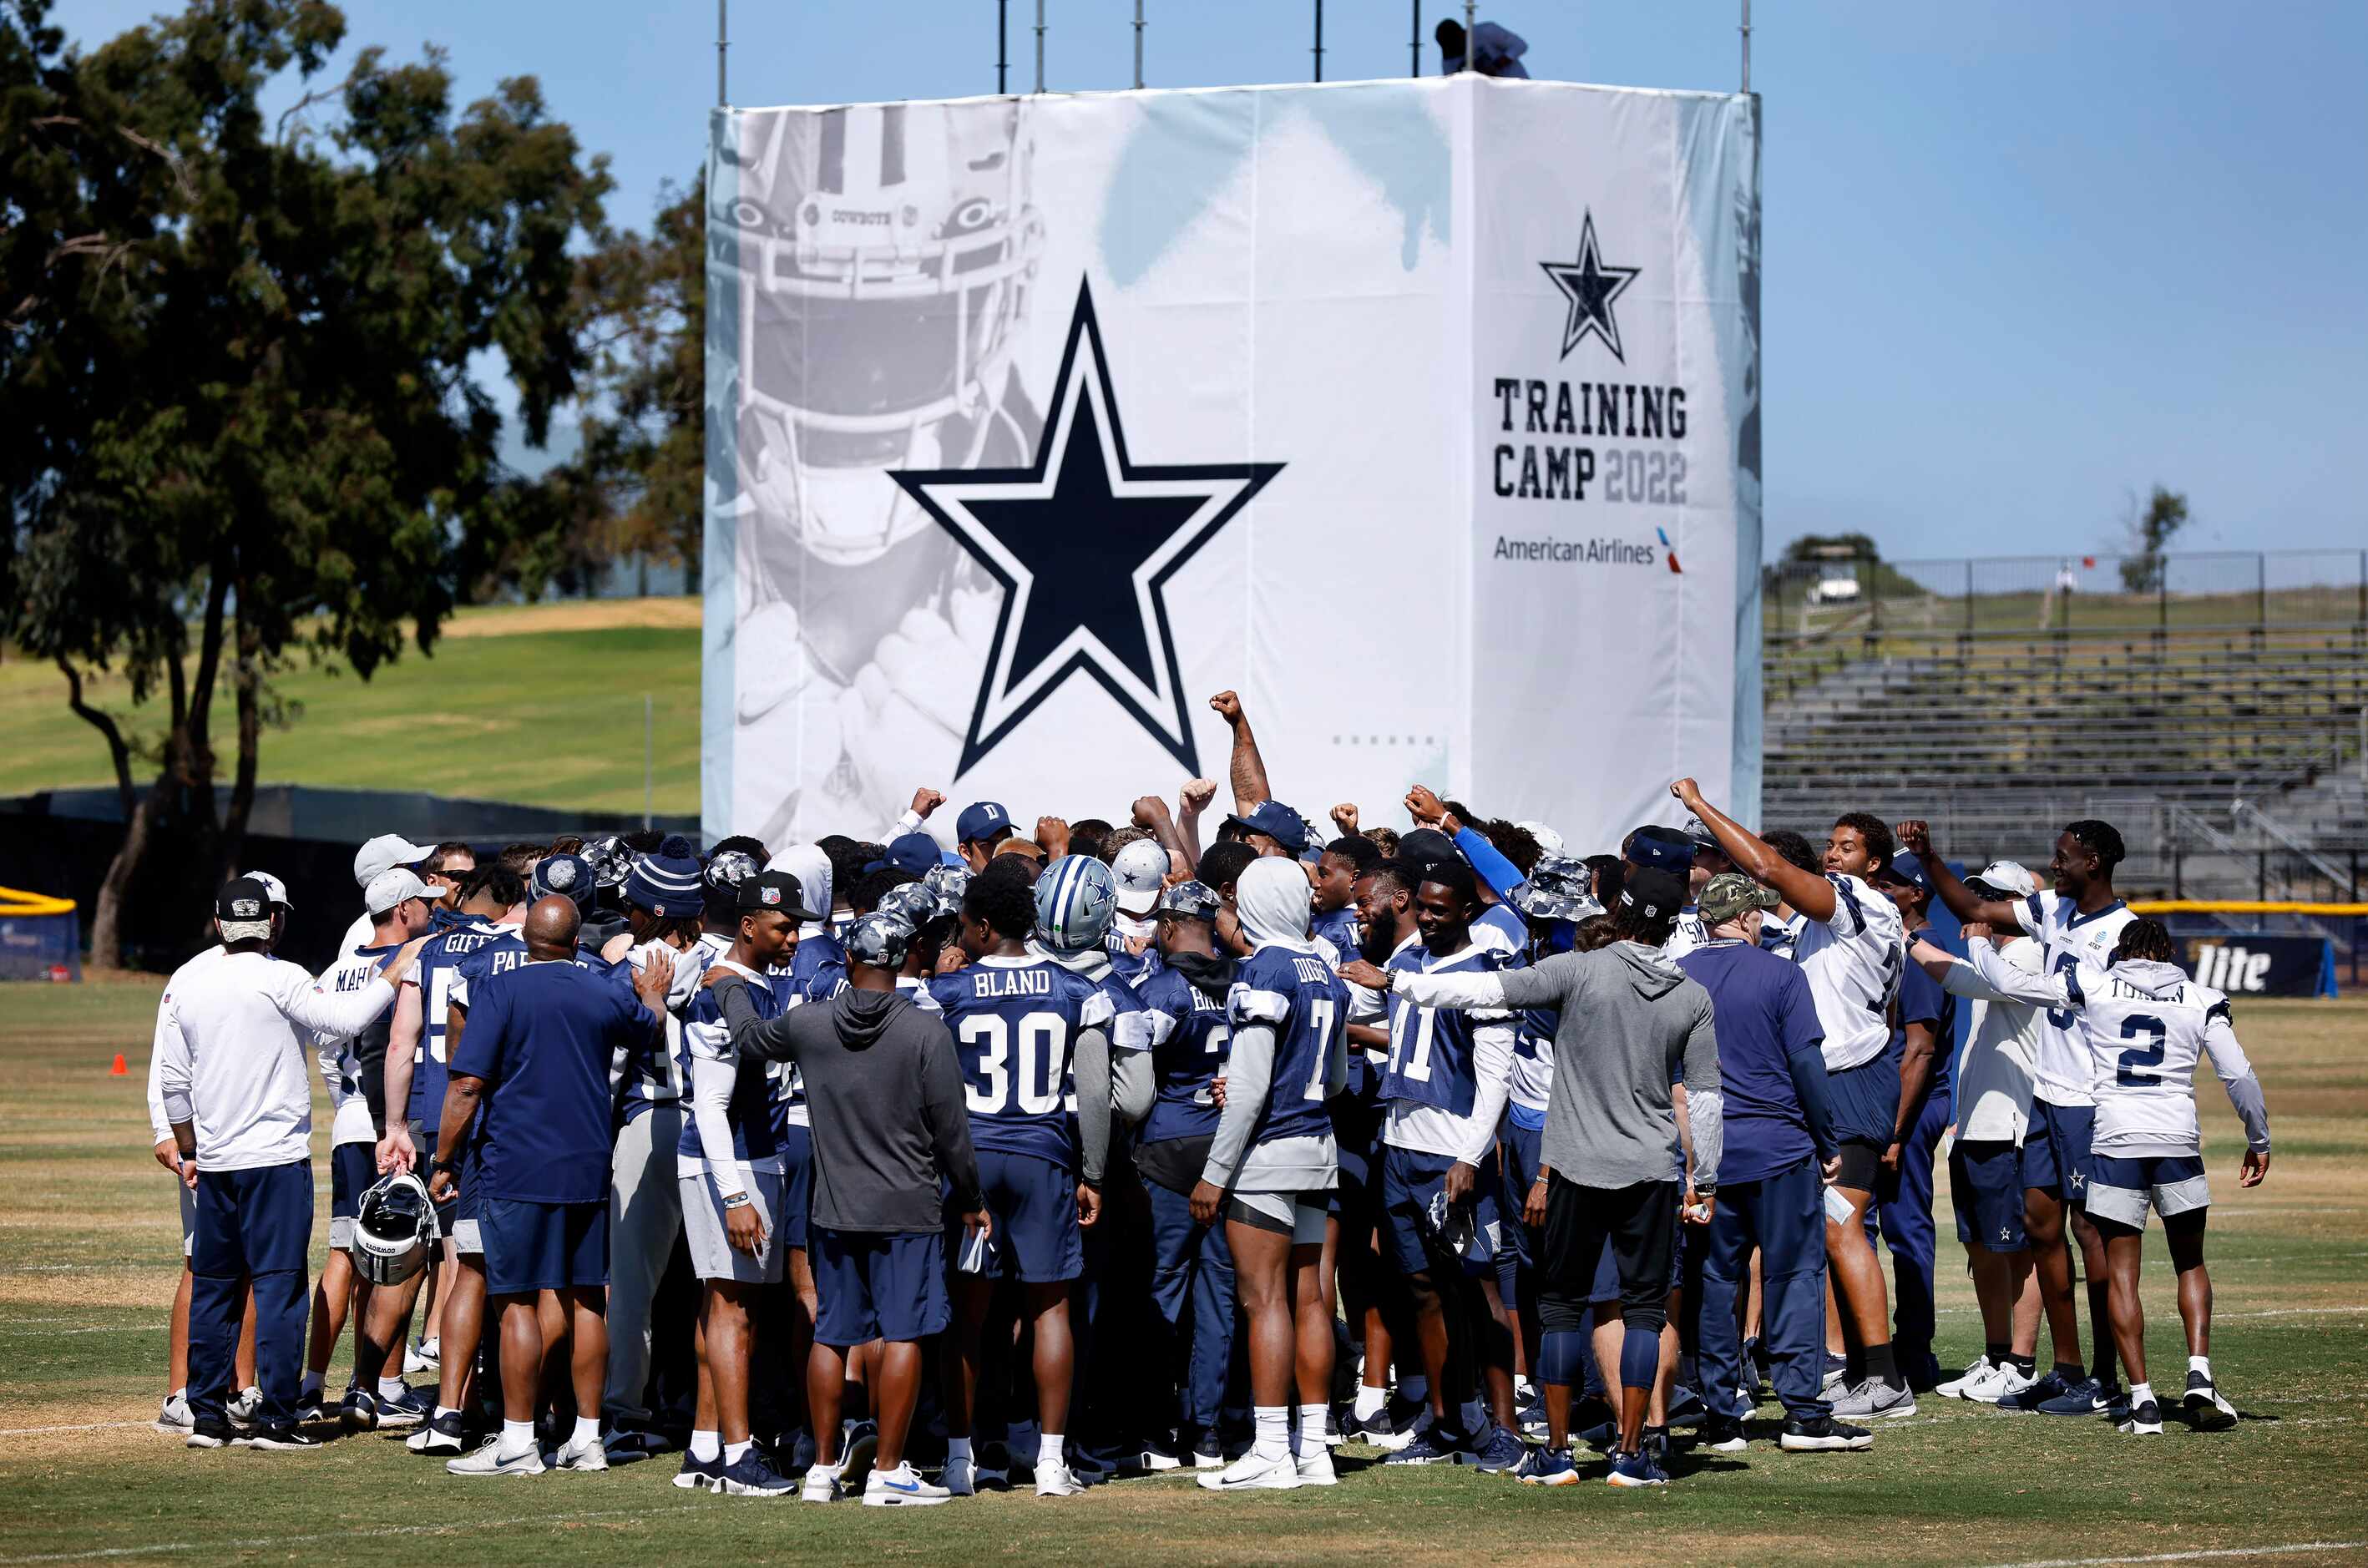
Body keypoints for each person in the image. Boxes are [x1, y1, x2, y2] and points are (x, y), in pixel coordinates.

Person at [1345, 863, 1721, 1489]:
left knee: (1560, 1308)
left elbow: (1484, 991)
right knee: (1645, 1312)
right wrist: (1702, 1180)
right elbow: (1706, 1099)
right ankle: (1631, 1453)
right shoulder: (1691, 995)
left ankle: (1557, 1452)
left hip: (1574, 1166)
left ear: (1621, 915)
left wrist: (1398, 983)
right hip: (1652, 1171)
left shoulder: (1579, 968)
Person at [1914, 917, 2269, 1434]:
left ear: (2122, 953)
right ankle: (2199, 1373)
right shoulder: (2202, 996)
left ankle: (2142, 1400)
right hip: (2176, 1140)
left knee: (2123, 1272)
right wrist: (2258, 1139)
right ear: (2169, 952)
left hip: (2116, 1139)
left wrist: (1977, 944)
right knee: (2190, 1261)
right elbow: (2238, 1074)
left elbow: (2012, 983)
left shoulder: (2097, 984)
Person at [712, 908, 989, 1505]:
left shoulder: (810, 1023)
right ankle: (889, 1469)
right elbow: (952, 1133)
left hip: (833, 1208)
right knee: (905, 1333)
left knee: (832, 1335)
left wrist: (732, 984)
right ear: (903, 961)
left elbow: (751, 1039)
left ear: (850, 961)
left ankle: (820, 1468)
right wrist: (970, 1198)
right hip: (907, 1206)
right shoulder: (924, 1032)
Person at [159, 877, 427, 1449]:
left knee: (213, 1287)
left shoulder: (191, 986)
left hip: (218, 1160)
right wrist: (396, 967)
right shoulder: (281, 976)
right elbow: (348, 1020)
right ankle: (278, 1416)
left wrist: (188, 1151)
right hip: (276, 1160)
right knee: (279, 1288)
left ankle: (207, 1414)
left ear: (219, 922)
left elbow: (173, 1084)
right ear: (270, 923)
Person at [1675, 779, 1912, 1421]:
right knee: (1818, 1230)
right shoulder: (1837, 921)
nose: (1834, 855)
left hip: (1849, 1077)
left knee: (1838, 1226)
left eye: (1848, 847)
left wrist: (1700, 807)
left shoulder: (1855, 903)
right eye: (1831, 846)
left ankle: (1883, 1376)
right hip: (1841, 1072)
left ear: (1873, 864)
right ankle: (1840, 1365)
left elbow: (1767, 868)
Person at [1900, 816, 2136, 1417]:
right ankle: (2066, 1370)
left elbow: (2019, 986)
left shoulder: (2118, 932)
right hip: (2044, 1100)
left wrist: (1967, 941)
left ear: (2095, 862)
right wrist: (1930, 858)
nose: (2055, 863)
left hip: (2086, 1096)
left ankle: (2106, 1377)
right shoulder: (2055, 913)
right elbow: (1962, 905)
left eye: (2064, 856)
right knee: (2042, 1232)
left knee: (2091, 1236)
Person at [433, 896, 674, 1476]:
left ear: (527, 942)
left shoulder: (501, 990)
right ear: (574, 942)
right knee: (587, 1294)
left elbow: (467, 1084)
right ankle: (587, 1437)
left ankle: (517, 1441)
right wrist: (654, 994)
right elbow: (651, 1028)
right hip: (590, 1162)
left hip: (516, 1163)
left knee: (515, 1296)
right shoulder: (603, 990)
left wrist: (443, 1157)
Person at [928, 861, 1116, 1499]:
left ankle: (959, 1460)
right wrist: (1093, 1169)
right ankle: (1052, 1464)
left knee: (969, 1312)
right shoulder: (1075, 989)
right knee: (1051, 1308)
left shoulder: (946, 993)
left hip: (973, 1161)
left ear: (982, 927)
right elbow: (1094, 1091)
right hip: (1043, 1155)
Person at [1673, 873, 1867, 1455]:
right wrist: (1827, 1138)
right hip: (1779, 1149)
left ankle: (1721, 1413)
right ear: (1751, 918)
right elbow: (1807, 1064)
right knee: (1793, 1277)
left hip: (1707, 1153)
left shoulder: (1679, 973)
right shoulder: (1783, 973)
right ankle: (1803, 1413)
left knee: (1715, 1280)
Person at [1192, 857, 1350, 1492]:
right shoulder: (1327, 971)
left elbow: (1252, 1088)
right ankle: (1312, 1449)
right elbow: (1334, 1078)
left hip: (1267, 1155)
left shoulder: (1262, 971)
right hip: (1319, 1146)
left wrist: (1214, 1172)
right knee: (1312, 1299)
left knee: (1264, 1302)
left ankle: (1269, 1451)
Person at [1369, 861, 1524, 1473]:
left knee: (1481, 1286)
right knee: (1422, 1290)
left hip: (1452, 1153)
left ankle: (1507, 1426)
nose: (1427, 918)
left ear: (1466, 912)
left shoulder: (1486, 976)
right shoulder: (1405, 964)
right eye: (1423, 908)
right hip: (1400, 1146)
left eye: (1440, 910)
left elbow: (1496, 1077)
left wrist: (1469, 1155)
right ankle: (1446, 1423)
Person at [673, 870, 809, 1497]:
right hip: (729, 1164)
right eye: (783, 926)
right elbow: (708, 1107)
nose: (793, 938)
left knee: (722, 1308)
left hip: (745, 1161)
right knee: (734, 1313)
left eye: (799, 926)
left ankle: (704, 1450)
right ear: (749, 924)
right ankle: (736, 1456)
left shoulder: (748, 985)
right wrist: (733, 1195)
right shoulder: (721, 992)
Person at [301, 869, 434, 1424]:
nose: (432, 907)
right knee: (399, 1258)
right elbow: (390, 1048)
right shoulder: (413, 959)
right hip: (391, 1128)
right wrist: (391, 1125)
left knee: (342, 1254)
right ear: (403, 909)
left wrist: (350, 1110)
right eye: (424, 901)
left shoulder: (338, 969)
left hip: (350, 1121)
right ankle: (370, 1385)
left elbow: (328, 1053)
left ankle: (311, 1386)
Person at [600, 837, 711, 1453]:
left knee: (634, 1286)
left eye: (635, 905)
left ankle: (622, 1409)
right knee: (715, 1287)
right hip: (724, 1133)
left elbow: (612, 1067)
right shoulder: (728, 956)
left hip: (654, 1121)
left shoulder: (630, 968)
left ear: (655, 912)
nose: (626, 912)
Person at [1925, 861, 2048, 1403]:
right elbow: (1960, 976)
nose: (1978, 909)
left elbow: (1973, 978)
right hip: (1977, 1125)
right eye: (1976, 896)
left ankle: (2020, 1364)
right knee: (1982, 1251)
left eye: (1990, 899)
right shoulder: (1993, 955)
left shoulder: (2025, 954)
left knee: (2016, 1251)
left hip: (2011, 1126)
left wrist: (1925, 941)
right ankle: (1996, 1356)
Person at [1131, 881, 1241, 1469]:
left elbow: (1136, 1079)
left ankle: (1154, 1429)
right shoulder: (1244, 982)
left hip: (1170, 1148)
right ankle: (1207, 1432)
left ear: (1170, 928)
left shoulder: (1164, 988)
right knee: (1219, 1295)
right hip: (1229, 1150)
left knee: (1164, 1287)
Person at [1867, 852, 1959, 1392]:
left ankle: (1915, 1349)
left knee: (1905, 1229)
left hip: (1911, 1111)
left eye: (1893, 883)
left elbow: (1920, 1052)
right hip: (1893, 1105)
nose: (1883, 888)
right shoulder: (1898, 946)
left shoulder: (1924, 955)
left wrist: (1895, 1132)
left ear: (1917, 893)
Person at [1435, 16, 1530, 76]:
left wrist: (1496, 66)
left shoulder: (1486, 32)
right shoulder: (1449, 62)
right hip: (1489, 102)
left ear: (1463, 35)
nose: (1455, 51)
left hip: (1518, 90)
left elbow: (1520, 45)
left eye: (1455, 46)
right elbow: (1453, 90)